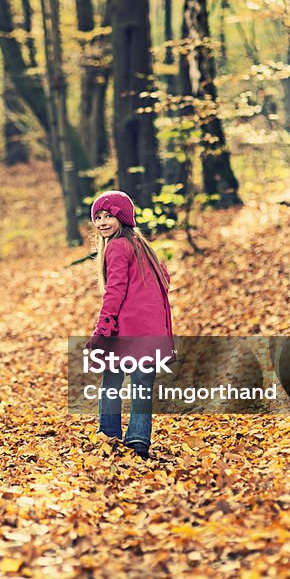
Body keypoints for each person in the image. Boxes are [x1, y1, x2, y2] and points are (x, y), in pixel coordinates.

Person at [84, 190, 174, 459]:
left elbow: (115, 291)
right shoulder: (140, 244)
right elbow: (163, 279)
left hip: (127, 329)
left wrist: (103, 330)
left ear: (123, 217)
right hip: (152, 328)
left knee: (111, 380)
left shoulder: (117, 247)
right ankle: (138, 441)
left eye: (108, 216)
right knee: (141, 385)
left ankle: (109, 434)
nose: (102, 222)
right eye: (97, 217)